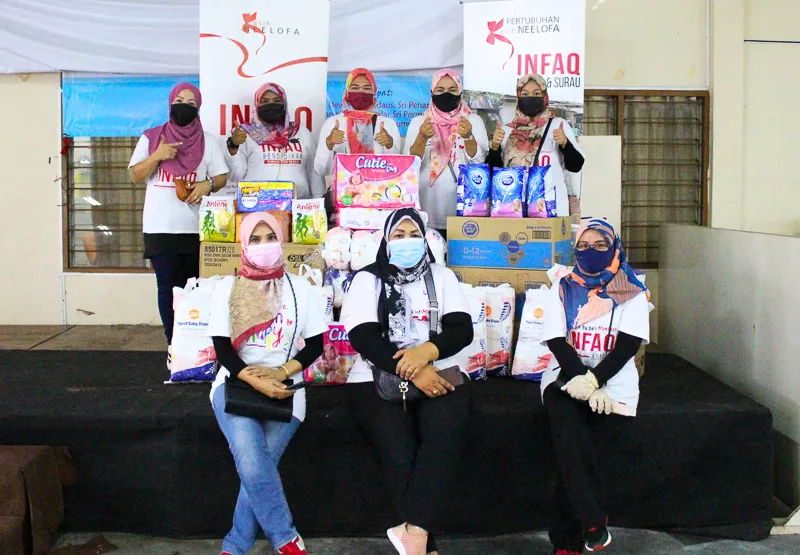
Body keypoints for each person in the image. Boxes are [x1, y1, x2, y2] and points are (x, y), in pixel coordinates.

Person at [340, 208, 475, 555]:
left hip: (439, 372)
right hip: (374, 378)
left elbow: (461, 329)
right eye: (397, 236)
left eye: (413, 234)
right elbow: (364, 337)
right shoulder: (366, 280)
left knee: (443, 437)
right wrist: (415, 368)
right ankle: (425, 547)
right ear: (385, 242)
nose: (406, 242)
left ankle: (414, 534)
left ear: (425, 238)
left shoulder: (442, 276)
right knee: (399, 450)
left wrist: (426, 352)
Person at [207, 212, 328, 555]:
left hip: (287, 390)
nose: (264, 246)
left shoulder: (301, 289)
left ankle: (235, 546)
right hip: (235, 385)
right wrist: (256, 380)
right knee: (250, 455)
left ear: (282, 241)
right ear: (243, 245)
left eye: (270, 238)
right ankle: (286, 539)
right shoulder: (227, 288)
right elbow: (221, 349)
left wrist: (280, 373)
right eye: (255, 240)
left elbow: (317, 345)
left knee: (258, 467)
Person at [538, 219, 650, 555]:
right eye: (584, 246)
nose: (591, 252)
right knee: (569, 434)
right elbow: (557, 340)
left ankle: (568, 541)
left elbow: (628, 346)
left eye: (600, 245)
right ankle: (590, 520)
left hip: (613, 382)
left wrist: (595, 380)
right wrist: (579, 379)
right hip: (565, 376)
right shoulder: (562, 286)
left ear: (615, 247)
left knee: (577, 456)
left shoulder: (631, 289)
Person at [128, 82, 228, 365]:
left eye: (190, 101)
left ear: (198, 107)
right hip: (160, 229)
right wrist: (158, 155)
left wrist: (207, 186)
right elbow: (135, 175)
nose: (184, 105)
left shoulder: (207, 140)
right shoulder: (151, 138)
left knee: (196, 288)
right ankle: (174, 344)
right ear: (171, 103)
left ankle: (199, 346)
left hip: (196, 229)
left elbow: (222, 176)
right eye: (179, 99)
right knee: (167, 287)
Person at [487, 73, 584, 218]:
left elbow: (576, 166)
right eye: (525, 94)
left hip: (551, 209)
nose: (530, 98)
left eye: (536, 93)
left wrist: (565, 143)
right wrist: (494, 147)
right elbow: (495, 173)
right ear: (518, 98)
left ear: (545, 97)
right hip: (514, 210)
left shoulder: (557, 125)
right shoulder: (507, 131)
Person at [404, 70, 488, 234]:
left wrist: (468, 136)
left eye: (452, 90)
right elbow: (408, 165)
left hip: (464, 209)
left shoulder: (472, 121)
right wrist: (421, 137)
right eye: (440, 90)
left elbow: (478, 162)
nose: (446, 94)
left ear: (460, 92)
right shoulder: (419, 123)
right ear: (432, 93)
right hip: (426, 206)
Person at [225, 82, 322, 199]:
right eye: (265, 101)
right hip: (256, 207)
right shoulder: (246, 134)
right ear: (256, 105)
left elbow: (314, 172)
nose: (271, 105)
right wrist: (234, 145)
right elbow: (236, 175)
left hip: (297, 207)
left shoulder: (301, 132)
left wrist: (319, 203)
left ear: (284, 104)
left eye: (276, 101)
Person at [314, 68, 402, 181]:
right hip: (342, 193)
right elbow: (320, 170)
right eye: (355, 88)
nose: (361, 93)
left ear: (374, 92)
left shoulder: (387, 124)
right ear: (347, 91)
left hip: (377, 192)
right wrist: (329, 144)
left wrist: (390, 145)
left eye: (367, 88)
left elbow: (398, 168)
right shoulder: (332, 123)